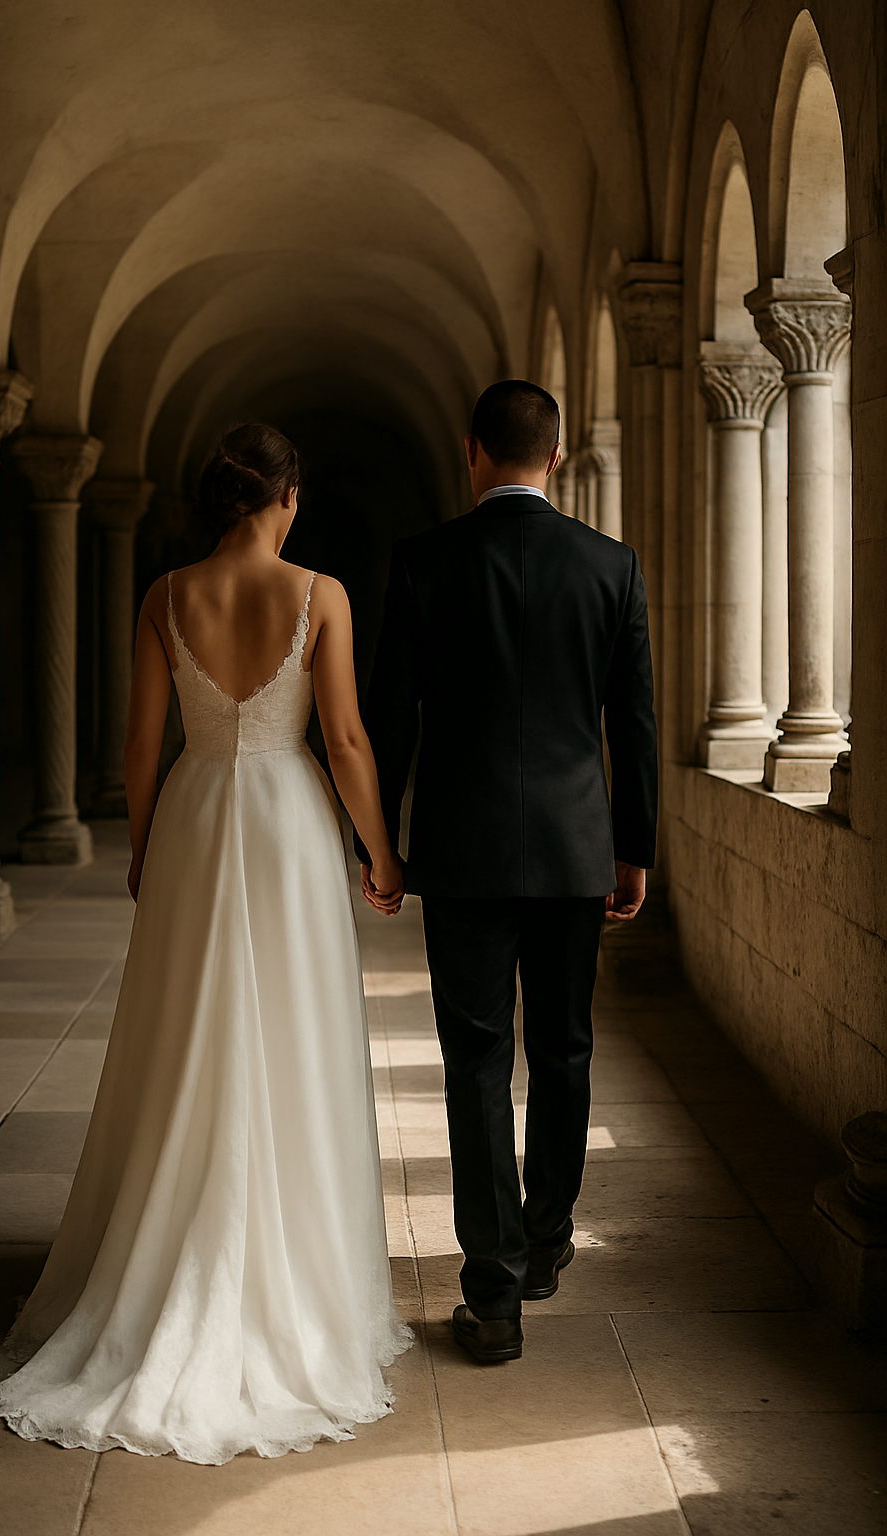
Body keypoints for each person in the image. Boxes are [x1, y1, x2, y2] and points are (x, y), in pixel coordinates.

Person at [0, 422, 411, 1464]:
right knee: (292, 1040)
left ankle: (167, 1250)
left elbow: (141, 741)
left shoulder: (166, 593)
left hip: (191, 815)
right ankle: (289, 1282)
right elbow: (346, 739)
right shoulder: (322, 593)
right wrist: (382, 854)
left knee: (184, 1036)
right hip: (287, 819)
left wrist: (143, 847)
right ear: (287, 498)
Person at [358, 380, 657, 1365]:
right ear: (558, 458)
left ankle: (491, 1295)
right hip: (575, 850)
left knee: (478, 1062)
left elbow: (388, 714)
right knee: (564, 1052)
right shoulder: (611, 566)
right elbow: (634, 723)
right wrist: (633, 846)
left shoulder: (425, 562)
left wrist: (383, 850)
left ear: (471, 452)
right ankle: (543, 1244)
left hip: (465, 851)